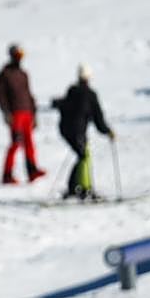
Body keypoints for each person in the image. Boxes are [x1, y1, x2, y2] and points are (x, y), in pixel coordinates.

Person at [53, 64, 114, 200]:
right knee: (83, 157)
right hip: (77, 131)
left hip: (66, 130)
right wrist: (108, 132)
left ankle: (75, 187)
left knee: (82, 155)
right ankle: (83, 189)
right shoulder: (90, 95)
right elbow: (98, 118)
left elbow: (63, 106)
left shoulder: (72, 91)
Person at [0, 43, 47, 185]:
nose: (19, 58)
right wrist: (6, 113)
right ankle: (7, 174)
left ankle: (32, 171)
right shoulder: (5, 74)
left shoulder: (24, 74)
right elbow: (0, 95)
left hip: (27, 112)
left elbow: (29, 94)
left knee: (29, 143)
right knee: (15, 143)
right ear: (12, 56)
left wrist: (34, 114)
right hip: (15, 114)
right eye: (17, 55)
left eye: (21, 56)